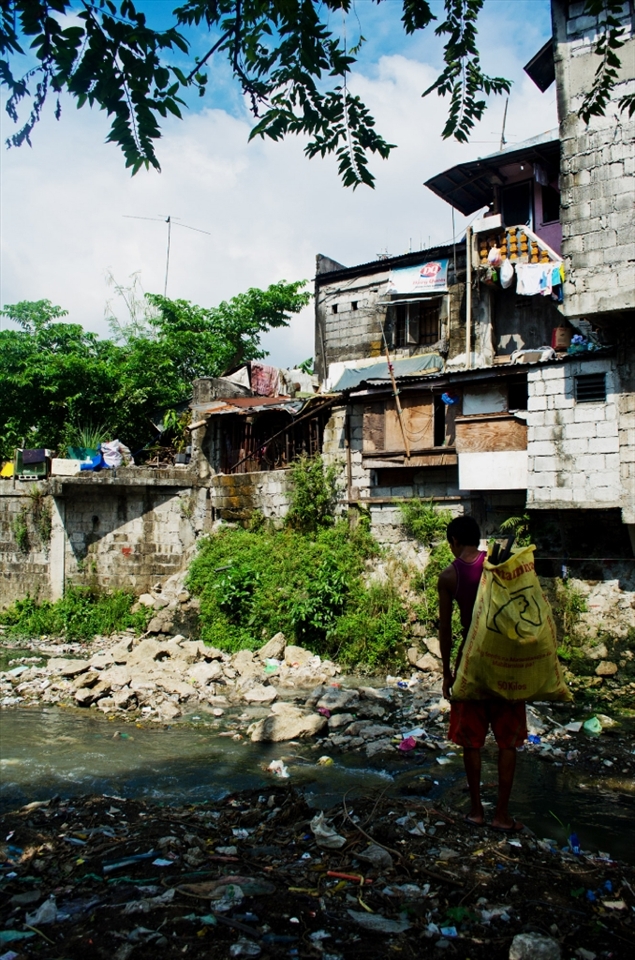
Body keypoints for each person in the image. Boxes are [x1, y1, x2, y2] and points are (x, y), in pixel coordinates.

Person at [438, 515, 526, 832]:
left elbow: (446, 630)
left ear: (455, 542)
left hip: (471, 663)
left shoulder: (450, 576)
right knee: (507, 743)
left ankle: (477, 811)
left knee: (471, 742)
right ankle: (502, 815)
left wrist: (447, 672)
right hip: (505, 662)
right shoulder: (500, 567)